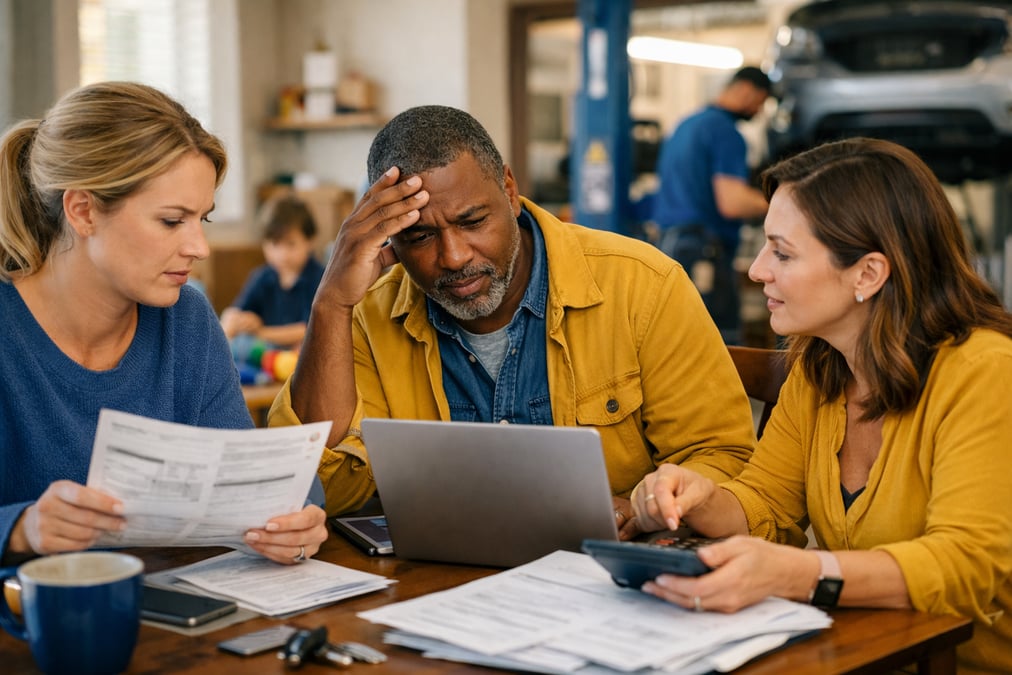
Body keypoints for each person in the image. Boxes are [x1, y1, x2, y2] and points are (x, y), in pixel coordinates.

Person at [269, 104, 756, 538]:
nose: (454, 257)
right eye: (419, 238)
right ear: (389, 240)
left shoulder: (642, 285)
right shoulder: (366, 313)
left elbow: (726, 460)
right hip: (438, 589)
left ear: (509, 189)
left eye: (473, 221)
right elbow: (314, 484)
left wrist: (644, 507)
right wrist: (330, 304)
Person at [631, 137, 1012, 673]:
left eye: (782, 252)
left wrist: (800, 573)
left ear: (868, 274)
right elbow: (767, 504)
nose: (758, 269)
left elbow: (966, 568)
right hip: (863, 656)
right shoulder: (820, 367)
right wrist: (699, 498)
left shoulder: (985, 373)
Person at [0, 81, 326, 566]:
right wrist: (21, 529)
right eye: (173, 221)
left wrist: (295, 519)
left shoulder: (188, 322)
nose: (200, 247)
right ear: (83, 210)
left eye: (203, 220)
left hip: (174, 623)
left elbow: (260, 484)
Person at [651, 66, 772, 344]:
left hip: (669, 246)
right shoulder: (726, 132)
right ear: (746, 90)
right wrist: (785, 204)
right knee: (719, 344)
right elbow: (732, 202)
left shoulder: (686, 125)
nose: (759, 110)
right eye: (760, 101)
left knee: (675, 339)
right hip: (704, 253)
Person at [220, 193, 325, 349]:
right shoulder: (262, 276)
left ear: (310, 241)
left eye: (291, 244)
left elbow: (308, 330)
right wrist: (238, 320)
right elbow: (237, 311)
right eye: (275, 244)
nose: (282, 255)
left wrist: (260, 332)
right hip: (265, 356)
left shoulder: (320, 278)